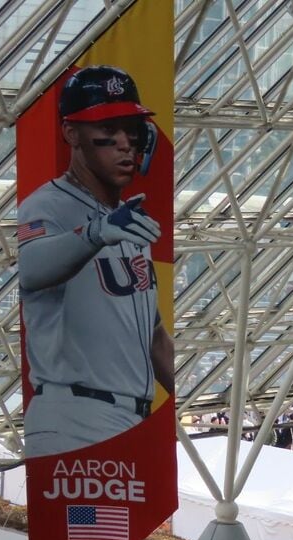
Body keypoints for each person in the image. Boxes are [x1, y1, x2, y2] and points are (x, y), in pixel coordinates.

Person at [19, 65, 173, 457]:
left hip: (132, 419)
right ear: (72, 134)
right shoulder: (46, 206)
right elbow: (30, 268)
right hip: (73, 415)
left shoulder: (128, 220)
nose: (125, 144)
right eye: (108, 129)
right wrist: (94, 233)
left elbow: (154, 336)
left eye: (132, 130)